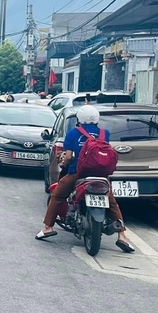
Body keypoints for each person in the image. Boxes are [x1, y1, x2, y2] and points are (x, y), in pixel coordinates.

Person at [36, 104, 134, 252]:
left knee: (57, 195)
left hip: (78, 173)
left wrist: (63, 162)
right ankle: (122, 236)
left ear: (79, 119)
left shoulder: (73, 133)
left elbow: (68, 157)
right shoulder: (104, 133)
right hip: (101, 175)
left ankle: (48, 227)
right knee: (112, 203)